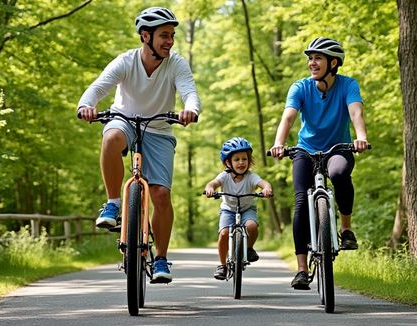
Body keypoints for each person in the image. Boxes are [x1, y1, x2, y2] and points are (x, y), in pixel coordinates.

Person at [77, 7, 201, 284]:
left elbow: (190, 92)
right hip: (124, 120)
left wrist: (189, 110)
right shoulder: (126, 61)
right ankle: (112, 205)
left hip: (158, 128)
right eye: (164, 35)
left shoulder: (176, 64)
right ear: (146, 36)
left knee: (160, 195)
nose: (170, 41)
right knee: (110, 137)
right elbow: (98, 87)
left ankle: (160, 259)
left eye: (172, 35)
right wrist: (87, 105)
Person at [268, 37, 369, 290]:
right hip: (306, 149)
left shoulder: (348, 85)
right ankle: (302, 269)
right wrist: (279, 143)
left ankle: (345, 230)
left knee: (339, 173)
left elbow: (355, 111)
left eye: (318, 58)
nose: (312, 63)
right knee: (301, 201)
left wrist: (361, 137)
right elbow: (288, 117)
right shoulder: (300, 87)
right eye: (310, 59)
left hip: (338, 147)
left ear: (333, 63)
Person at [204, 137, 273, 280]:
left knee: (252, 226)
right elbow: (213, 183)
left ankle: (248, 248)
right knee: (224, 234)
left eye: (244, 159)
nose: (241, 162)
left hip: (247, 209)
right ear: (228, 162)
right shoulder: (225, 176)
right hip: (228, 209)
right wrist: (210, 188)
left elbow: (263, 183)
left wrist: (267, 188)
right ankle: (222, 265)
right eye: (237, 159)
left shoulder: (251, 176)